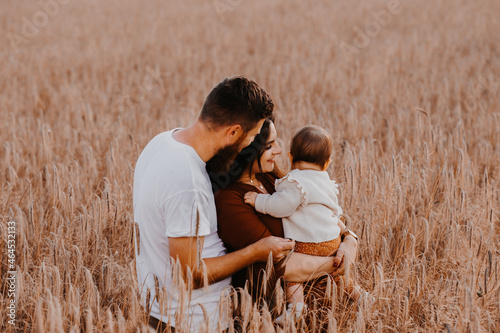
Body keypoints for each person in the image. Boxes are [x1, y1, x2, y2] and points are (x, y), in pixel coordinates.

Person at [133, 76, 294, 332]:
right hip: (192, 321)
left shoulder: (162, 142)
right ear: (233, 132)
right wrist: (256, 251)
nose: (252, 145)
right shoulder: (187, 181)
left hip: (168, 312)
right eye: (252, 137)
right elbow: (188, 274)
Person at [213, 119, 359, 328]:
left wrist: (349, 240)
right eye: (269, 145)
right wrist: (336, 264)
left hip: (325, 314)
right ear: (247, 149)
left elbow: (316, 209)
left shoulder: (268, 175)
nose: (280, 151)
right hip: (271, 318)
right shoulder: (230, 199)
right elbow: (278, 265)